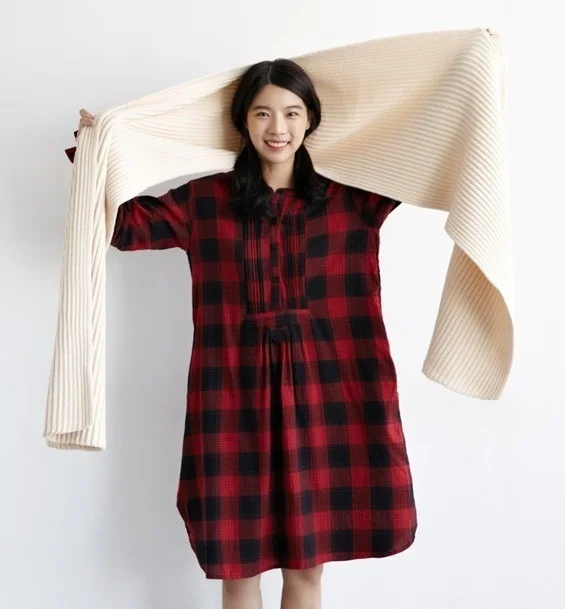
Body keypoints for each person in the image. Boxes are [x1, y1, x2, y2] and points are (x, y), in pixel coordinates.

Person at [72, 58, 417, 609]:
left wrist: (463, 94)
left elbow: (423, 162)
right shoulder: (206, 201)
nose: (277, 128)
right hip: (232, 399)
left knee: (308, 570)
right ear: (243, 121)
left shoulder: (353, 198)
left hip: (328, 398)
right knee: (238, 570)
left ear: (311, 120)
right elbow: (123, 226)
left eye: (292, 113)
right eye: (262, 113)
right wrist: (94, 153)